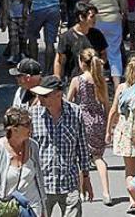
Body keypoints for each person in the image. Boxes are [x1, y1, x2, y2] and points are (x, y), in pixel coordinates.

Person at [29, 75, 94, 216]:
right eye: (38, 95)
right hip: (42, 185)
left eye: (44, 95)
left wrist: (86, 178)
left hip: (69, 184)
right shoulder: (33, 115)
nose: (39, 98)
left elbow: (82, 148)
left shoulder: (75, 112)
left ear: (58, 95)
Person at [66, 49, 112, 206]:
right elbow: (106, 104)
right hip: (99, 121)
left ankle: (82, 192)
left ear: (81, 63)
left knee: (81, 158)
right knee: (98, 158)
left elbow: (68, 102)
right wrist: (108, 126)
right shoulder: (100, 80)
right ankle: (106, 192)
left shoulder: (77, 80)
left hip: (82, 121)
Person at [0, 108, 47, 217]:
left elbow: (39, 179)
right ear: (14, 129)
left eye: (31, 123)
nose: (31, 127)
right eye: (26, 124)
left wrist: (43, 210)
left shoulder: (33, 146)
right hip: (9, 209)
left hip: (32, 208)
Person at [106, 54, 135, 215]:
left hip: (124, 130)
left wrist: (108, 130)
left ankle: (133, 201)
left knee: (129, 170)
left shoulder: (122, 88)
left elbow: (113, 110)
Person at [80, 0, 126, 90]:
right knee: (114, 53)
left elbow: (83, 3)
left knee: (94, 51)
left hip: (96, 20)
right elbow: (123, 5)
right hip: (114, 20)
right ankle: (117, 85)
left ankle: (95, 82)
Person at [55, 1, 108, 80]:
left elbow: (103, 54)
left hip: (94, 79)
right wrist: (57, 79)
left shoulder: (97, 34)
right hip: (74, 80)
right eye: (92, 16)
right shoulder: (67, 37)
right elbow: (59, 61)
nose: (95, 19)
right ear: (81, 17)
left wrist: (101, 62)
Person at [7, 0, 28, 65]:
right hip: (12, 16)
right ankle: (13, 54)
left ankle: (23, 52)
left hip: (23, 15)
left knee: (23, 36)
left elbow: (29, 0)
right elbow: (7, 2)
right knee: (13, 37)